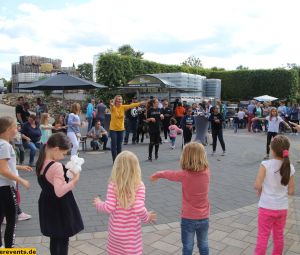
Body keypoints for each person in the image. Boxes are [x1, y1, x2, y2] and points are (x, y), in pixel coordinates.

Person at [150, 142, 210, 255]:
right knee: (204, 244)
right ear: (203, 156)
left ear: (185, 157)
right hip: (204, 217)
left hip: (188, 218)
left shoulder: (184, 175)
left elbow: (170, 174)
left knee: (187, 247)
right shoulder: (207, 172)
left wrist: (158, 174)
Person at [94, 151, 156, 255]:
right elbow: (139, 208)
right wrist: (146, 217)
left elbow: (109, 207)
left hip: (115, 233)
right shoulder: (139, 185)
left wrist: (98, 203)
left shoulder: (113, 184)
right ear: (136, 168)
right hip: (131, 236)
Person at [36, 132, 83, 255]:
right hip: (59, 207)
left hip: (47, 204)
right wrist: (75, 180)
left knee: (55, 237)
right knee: (63, 239)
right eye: (63, 153)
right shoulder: (56, 166)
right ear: (56, 149)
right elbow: (59, 192)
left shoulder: (41, 161)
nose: (63, 157)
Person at [254, 135, 295, 255]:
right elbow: (291, 191)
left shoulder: (265, 164)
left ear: (272, 150)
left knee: (263, 236)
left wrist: (260, 188)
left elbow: (257, 185)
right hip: (282, 208)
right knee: (279, 236)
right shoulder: (290, 167)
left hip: (266, 207)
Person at [0, 116, 31, 248]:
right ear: (8, 129)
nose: (17, 129)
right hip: (6, 188)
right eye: (15, 127)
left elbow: (5, 165)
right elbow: (2, 170)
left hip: (2, 187)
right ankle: (8, 249)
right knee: (12, 220)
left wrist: (19, 167)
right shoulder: (5, 145)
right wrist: (21, 180)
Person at [109, 95, 143, 162]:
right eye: (118, 99)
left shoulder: (123, 107)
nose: (120, 100)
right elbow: (112, 107)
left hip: (121, 129)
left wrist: (140, 103)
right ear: (115, 101)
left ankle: (119, 161)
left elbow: (131, 105)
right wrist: (112, 105)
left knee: (119, 146)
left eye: (121, 99)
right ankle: (114, 161)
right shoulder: (113, 107)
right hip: (113, 129)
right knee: (114, 145)